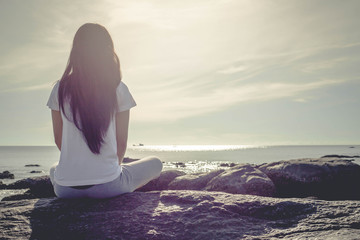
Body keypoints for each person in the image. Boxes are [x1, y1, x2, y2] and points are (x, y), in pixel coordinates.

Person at [46, 23, 162, 199]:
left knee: (54, 168)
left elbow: (59, 139)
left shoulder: (59, 89)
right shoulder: (118, 88)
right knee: (156, 163)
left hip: (65, 190)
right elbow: (121, 143)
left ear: (76, 51)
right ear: (107, 51)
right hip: (108, 187)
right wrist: (106, 171)